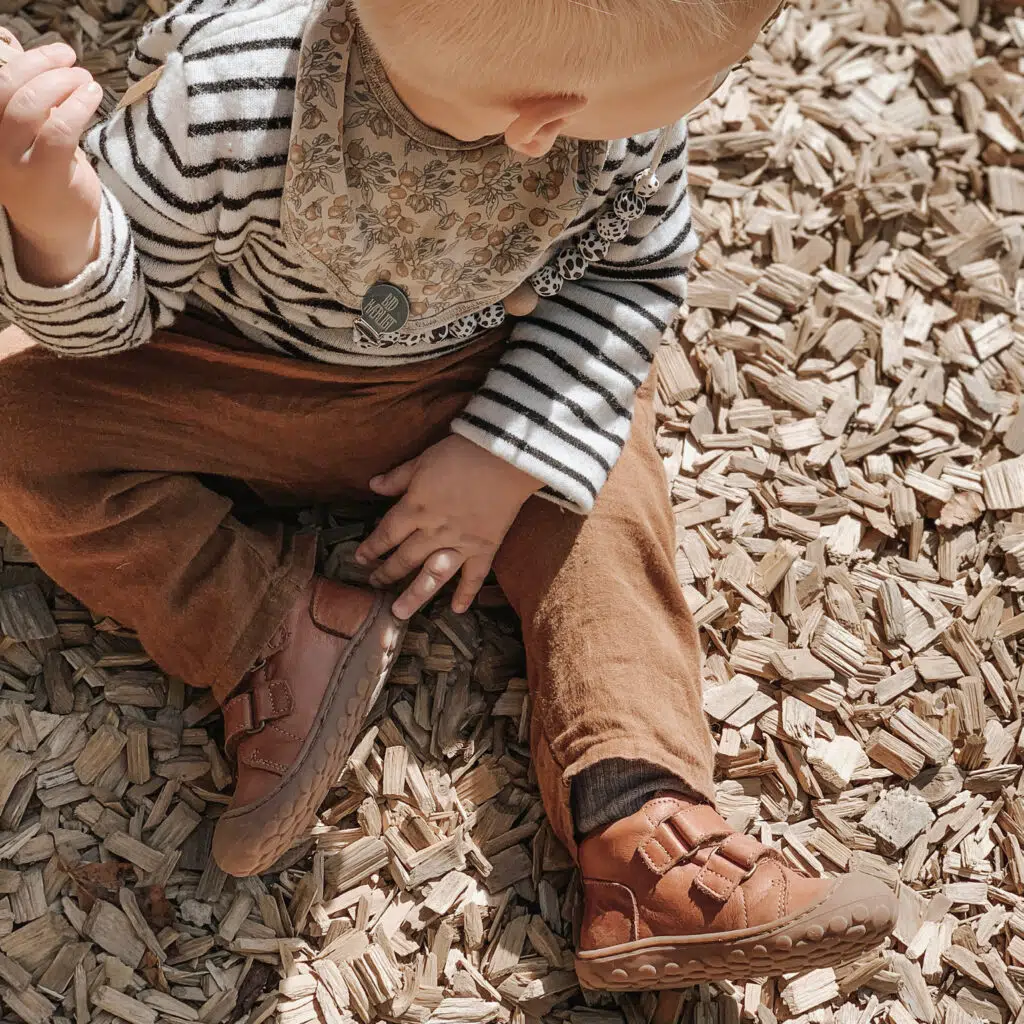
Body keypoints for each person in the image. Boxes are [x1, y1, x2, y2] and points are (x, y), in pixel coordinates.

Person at [0, 0, 895, 987]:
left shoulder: (621, 136)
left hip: (473, 378)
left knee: (599, 463)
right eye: (714, 79)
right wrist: (56, 215)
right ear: (545, 119)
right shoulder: (233, 96)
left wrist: (505, 454)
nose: (702, 102)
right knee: (14, 408)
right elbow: (119, 310)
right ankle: (265, 626)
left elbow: (630, 283)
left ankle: (641, 822)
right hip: (228, 373)